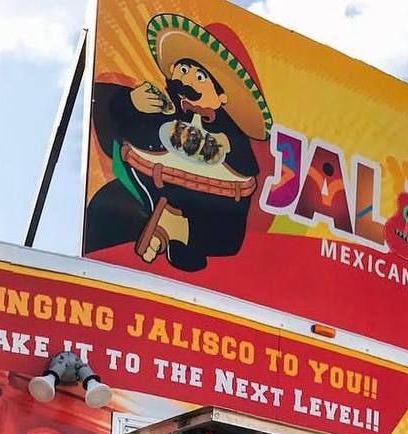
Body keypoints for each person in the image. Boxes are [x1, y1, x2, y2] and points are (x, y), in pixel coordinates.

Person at [84, 15, 272, 271]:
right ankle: (163, 233)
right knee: (105, 207)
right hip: (148, 188)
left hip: (209, 201)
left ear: (221, 97)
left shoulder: (229, 132)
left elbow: (248, 166)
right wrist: (131, 102)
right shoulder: (161, 107)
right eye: (183, 70)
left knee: (227, 234)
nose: (187, 80)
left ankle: (180, 233)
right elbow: (109, 112)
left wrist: (226, 143)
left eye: (200, 77)